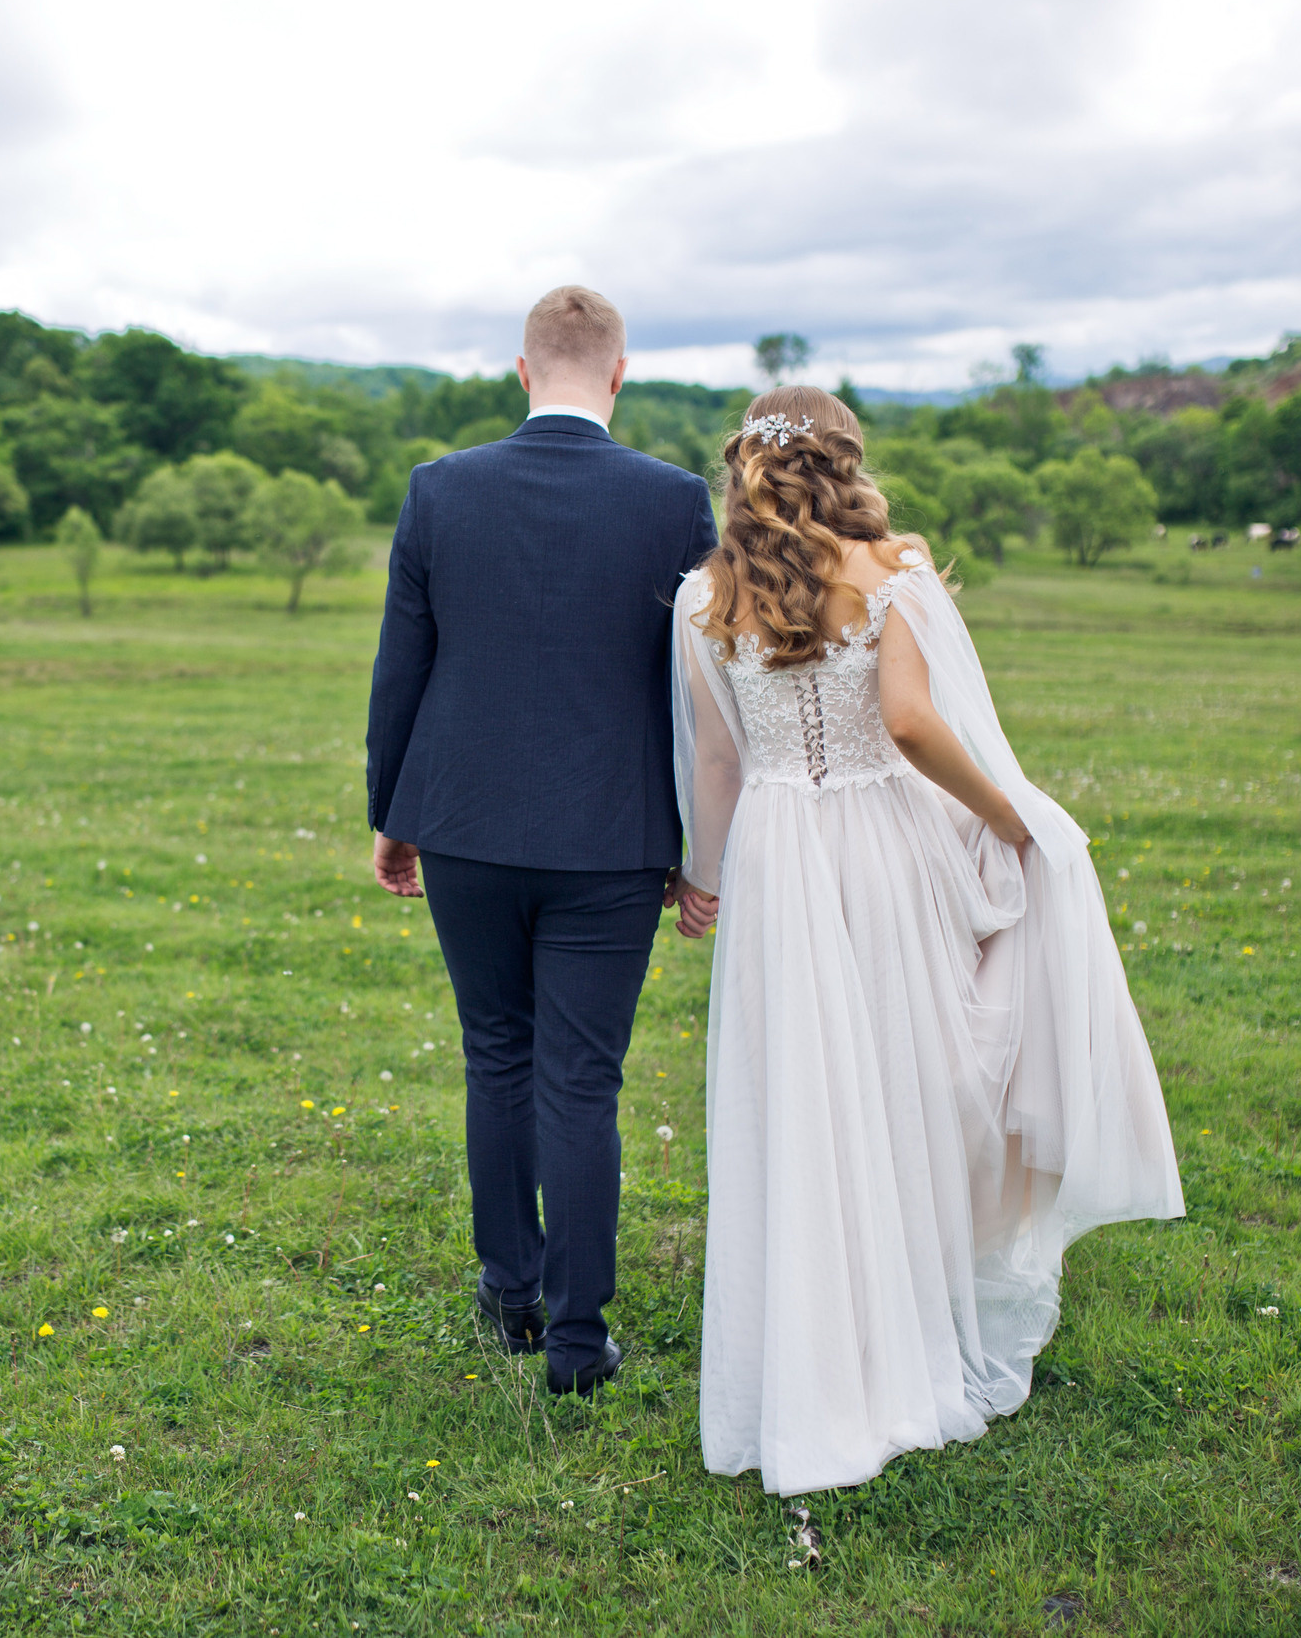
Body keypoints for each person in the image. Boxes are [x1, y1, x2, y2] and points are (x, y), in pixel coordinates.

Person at [672, 386, 1184, 1496]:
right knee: (913, 1078)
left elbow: (715, 763)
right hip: (881, 842)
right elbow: (908, 723)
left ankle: (812, 1350)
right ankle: (909, 1313)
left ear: (743, 469)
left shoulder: (703, 594)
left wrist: (701, 877)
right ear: (846, 461)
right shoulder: (887, 571)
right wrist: (1010, 817)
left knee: (803, 1095)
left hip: (775, 855)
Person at [365, 285, 716, 1396]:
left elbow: (400, 670)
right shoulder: (672, 503)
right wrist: (694, 841)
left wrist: (393, 813)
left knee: (497, 1057)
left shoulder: (439, 490)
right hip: (612, 837)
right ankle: (576, 1340)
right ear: (617, 376)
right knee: (583, 1082)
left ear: (522, 372)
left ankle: (509, 1294)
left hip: (464, 822)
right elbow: (695, 691)